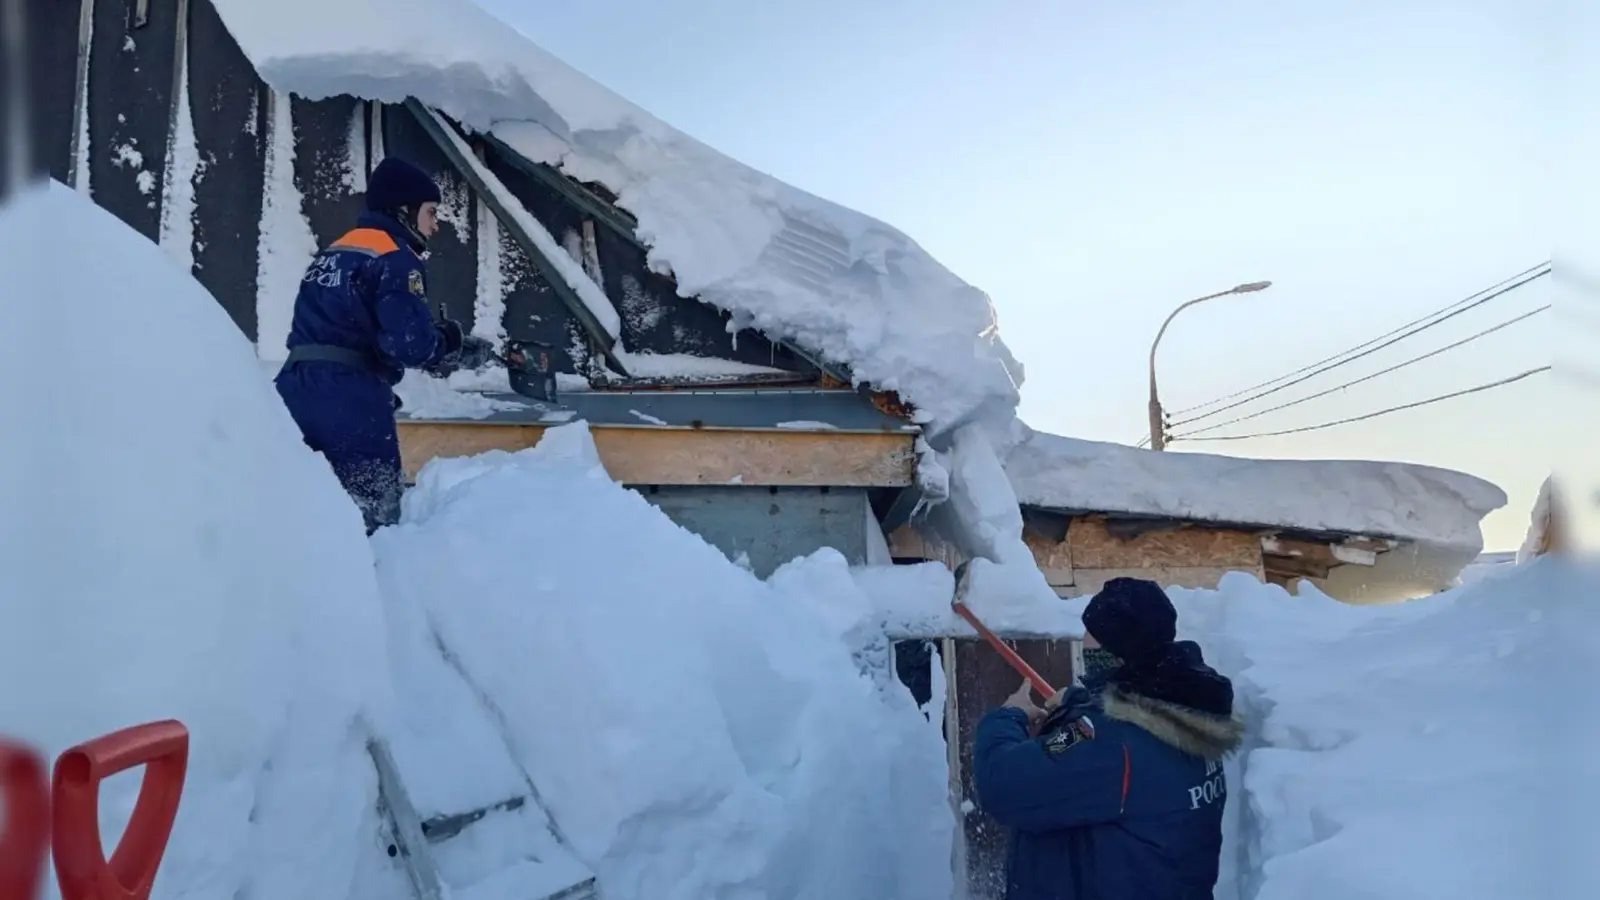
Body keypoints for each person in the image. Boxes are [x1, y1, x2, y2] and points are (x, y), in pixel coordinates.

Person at [973, 577, 1244, 900]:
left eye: (1094, 644)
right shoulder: (1188, 712)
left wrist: (1008, 717)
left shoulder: (1106, 743)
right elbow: (1122, 722)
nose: (1086, 644)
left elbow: (1004, 783)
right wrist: (1076, 703)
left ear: (1116, 656)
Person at [274, 157, 494, 534]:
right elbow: (409, 344)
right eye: (430, 212)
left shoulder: (336, 251)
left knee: (295, 511)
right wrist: (451, 344)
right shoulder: (396, 258)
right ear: (404, 210)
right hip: (349, 399)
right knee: (373, 515)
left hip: (292, 389)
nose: (435, 224)